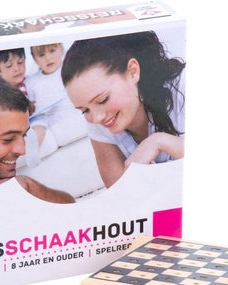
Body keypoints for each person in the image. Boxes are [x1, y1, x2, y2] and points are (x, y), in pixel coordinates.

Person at [62, 31, 185, 188]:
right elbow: (121, 194)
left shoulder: (184, 84)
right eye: (84, 110)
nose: (97, 118)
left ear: (133, 72)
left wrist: (159, 141)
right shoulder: (99, 120)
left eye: (103, 100)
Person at [26, 43, 85, 149]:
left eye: (52, 51)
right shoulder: (31, 81)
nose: (48, 58)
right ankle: (31, 151)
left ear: (61, 49)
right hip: (44, 118)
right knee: (37, 125)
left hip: (71, 111)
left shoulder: (70, 68)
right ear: (34, 59)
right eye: (41, 55)